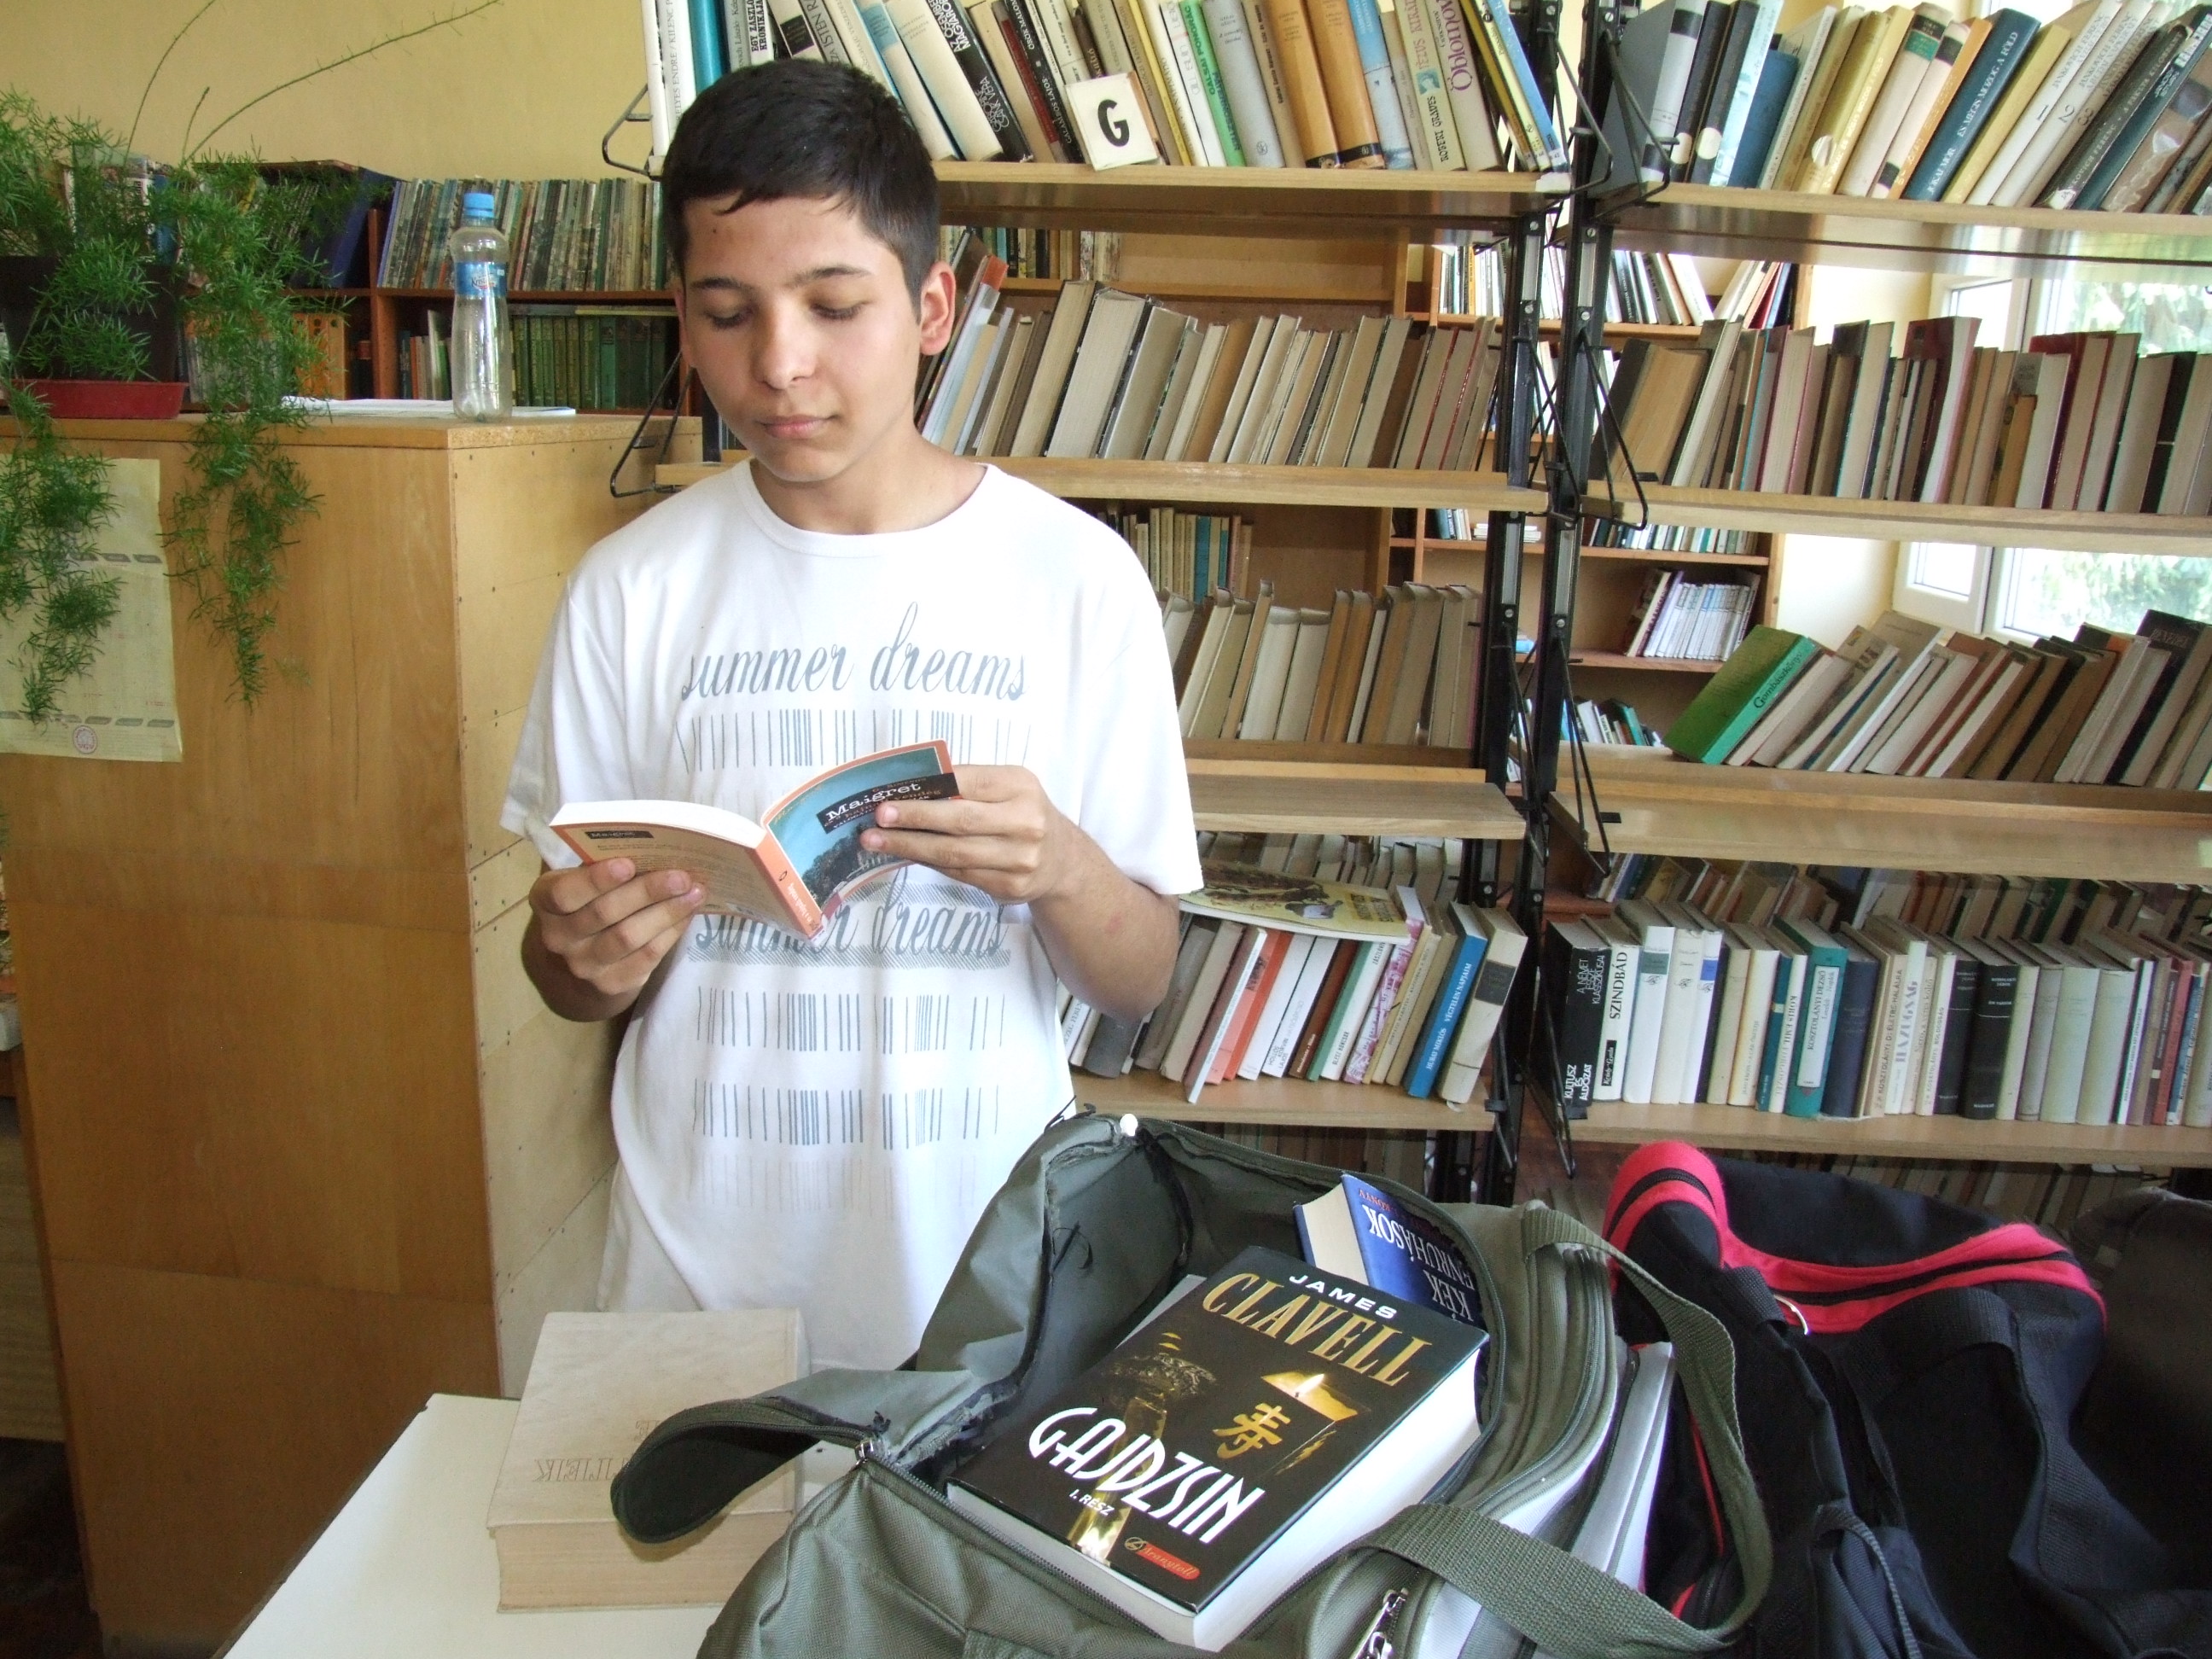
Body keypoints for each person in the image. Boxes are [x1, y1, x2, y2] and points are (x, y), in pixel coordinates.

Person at [501, 58, 1199, 1370]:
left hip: (978, 1277)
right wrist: (578, 954)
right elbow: (570, 982)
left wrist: (1060, 865)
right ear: (683, 317)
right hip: (688, 1276)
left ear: (933, 307)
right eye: (728, 313)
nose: (780, 365)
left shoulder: (1075, 578)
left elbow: (1142, 979)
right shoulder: (629, 589)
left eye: (834, 306)